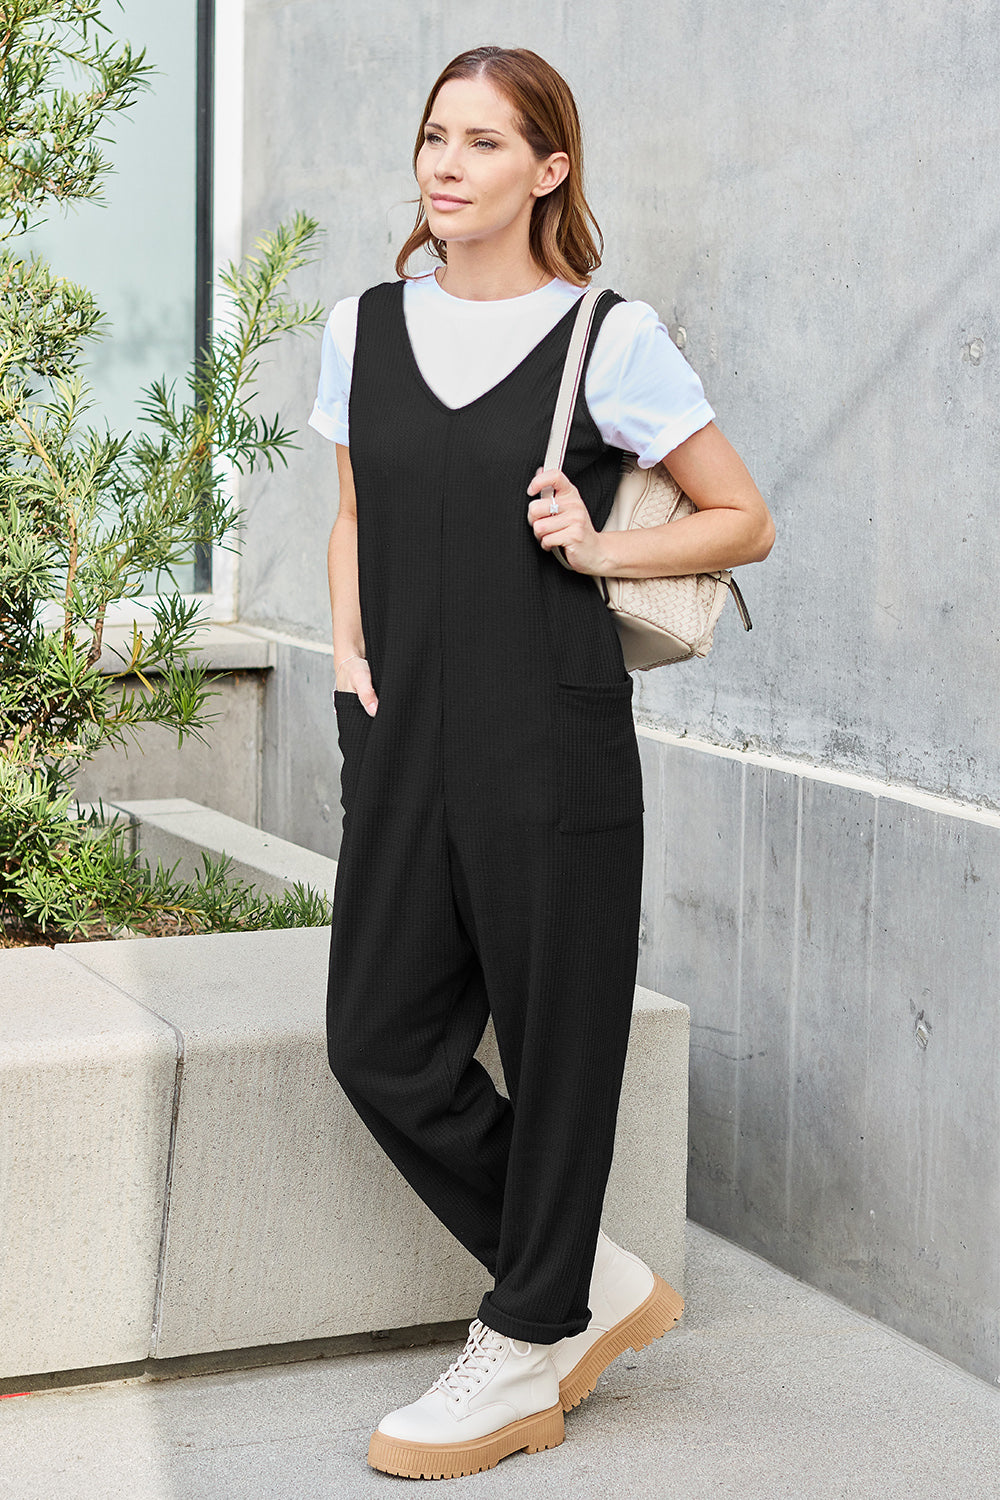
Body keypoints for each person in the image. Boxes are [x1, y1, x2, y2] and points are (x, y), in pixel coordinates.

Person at [309, 44, 774, 1481]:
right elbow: (349, 514)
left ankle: (524, 1340)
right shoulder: (364, 324)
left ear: (548, 171)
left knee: (557, 1039)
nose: (444, 164)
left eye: (482, 143)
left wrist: (602, 541)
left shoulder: (607, 340)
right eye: (433, 137)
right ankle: (581, 1280)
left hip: (548, 732)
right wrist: (346, 657)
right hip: (397, 720)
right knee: (378, 1038)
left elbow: (740, 517)